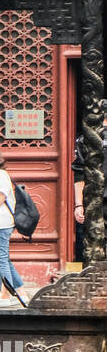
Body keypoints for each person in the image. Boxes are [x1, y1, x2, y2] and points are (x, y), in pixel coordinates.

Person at [0, 147, 29, 307]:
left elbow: (2, 195)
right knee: (4, 258)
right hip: (0, 222)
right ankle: (20, 291)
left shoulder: (0, 174)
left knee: (0, 259)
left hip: (2, 221)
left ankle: (5, 295)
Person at [72, 99, 107, 261]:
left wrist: (79, 204)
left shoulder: (84, 139)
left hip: (92, 198)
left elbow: (78, 173)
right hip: (95, 199)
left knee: (92, 242)